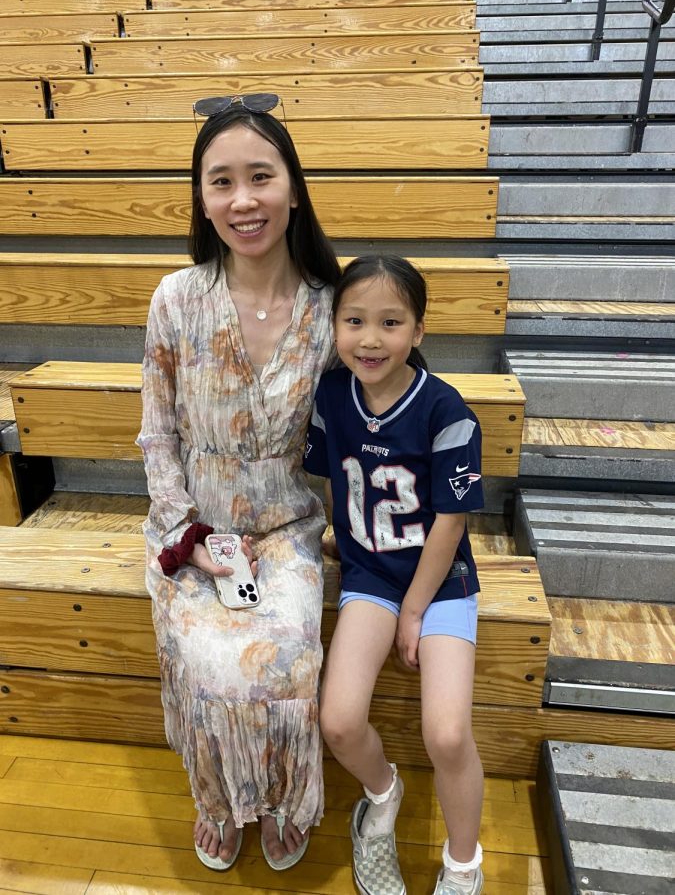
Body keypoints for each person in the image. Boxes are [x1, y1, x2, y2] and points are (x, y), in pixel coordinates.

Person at [136, 95, 340, 873]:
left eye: (261, 176)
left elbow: (369, 426)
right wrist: (188, 536)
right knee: (205, 663)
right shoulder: (176, 299)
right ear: (202, 197)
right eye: (220, 181)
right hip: (193, 527)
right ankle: (218, 803)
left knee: (286, 658)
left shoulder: (332, 307)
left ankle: (284, 800)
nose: (242, 199)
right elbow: (158, 432)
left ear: (293, 187)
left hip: (288, 527)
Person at [304, 255, 485, 895]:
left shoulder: (446, 410)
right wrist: (338, 541)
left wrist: (414, 610)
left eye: (390, 322)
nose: (370, 338)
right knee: (341, 721)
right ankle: (381, 797)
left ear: (418, 331)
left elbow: (452, 524)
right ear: (334, 326)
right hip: (370, 578)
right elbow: (332, 483)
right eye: (354, 321)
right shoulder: (330, 395)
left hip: (439, 585)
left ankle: (463, 863)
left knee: (447, 730)